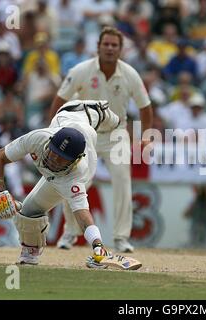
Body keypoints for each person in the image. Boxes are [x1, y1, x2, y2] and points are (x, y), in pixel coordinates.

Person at [0, 99, 139, 269]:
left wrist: (98, 246)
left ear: (74, 162)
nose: (53, 160)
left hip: (91, 127)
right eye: (53, 153)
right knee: (28, 212)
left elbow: (82, 215)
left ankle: (107, 115)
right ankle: (30, 252)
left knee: (29, 211)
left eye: (61, 159)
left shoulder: (76, 174)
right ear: (51, 141)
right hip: (69, 112)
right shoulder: (38, 138)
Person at [48, 27, 153, 253]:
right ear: (98, 46)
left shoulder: (130, 74)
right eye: (106, 44)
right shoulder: (81, 70)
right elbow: (59, 100)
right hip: (85, 134)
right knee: (75, 182)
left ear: (120, 49)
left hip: (117, 134)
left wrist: (146, 136)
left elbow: (145, 107)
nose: (110, 48)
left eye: (114, 45)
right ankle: (71, 232)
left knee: (123, 181)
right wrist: (52, 132)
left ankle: (121, 238)